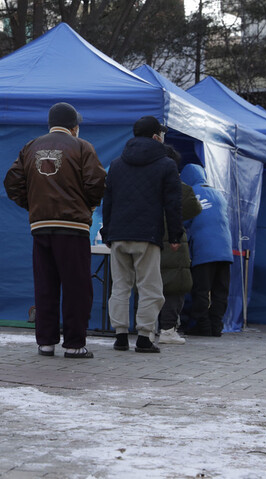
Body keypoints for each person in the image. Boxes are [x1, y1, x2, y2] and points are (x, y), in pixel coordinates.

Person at [4, 103, 107, 359]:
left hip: (40, 226)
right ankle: (74, 344)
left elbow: (12, 182)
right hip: (72, 226)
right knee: (76, 286)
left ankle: (46, 342)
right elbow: (97, 182)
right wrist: (87, 205)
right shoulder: (82, 147)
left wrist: (35, 205)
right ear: (74, 126)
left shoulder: (31, 146)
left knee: (45, 285)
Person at [101, 116, 183, 354]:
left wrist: (107, 231)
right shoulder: (167, 165)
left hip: (118, 234)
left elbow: (108, 202)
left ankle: (120, 336)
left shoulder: (116, 163)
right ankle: (145, 337)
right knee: (150, 288)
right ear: (156, 137)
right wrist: (176, 236)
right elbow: (173, 204)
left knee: (120, 287)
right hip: (147, 235)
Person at [180, 164, 233, 337]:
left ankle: (201, 326)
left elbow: (185, 221)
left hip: (204, 250)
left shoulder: (190, 193)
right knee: (220, 290)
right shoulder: (218, 194)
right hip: (225, 249)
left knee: (201, 290)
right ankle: (216, 326)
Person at [157, 148, 201, 345]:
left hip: (148, 239)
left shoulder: (145, 184)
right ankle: (167, 329)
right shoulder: (181, 187)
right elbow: (194, 208)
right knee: (175, 287)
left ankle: (146, 329)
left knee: (149, 286)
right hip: (174, 242)